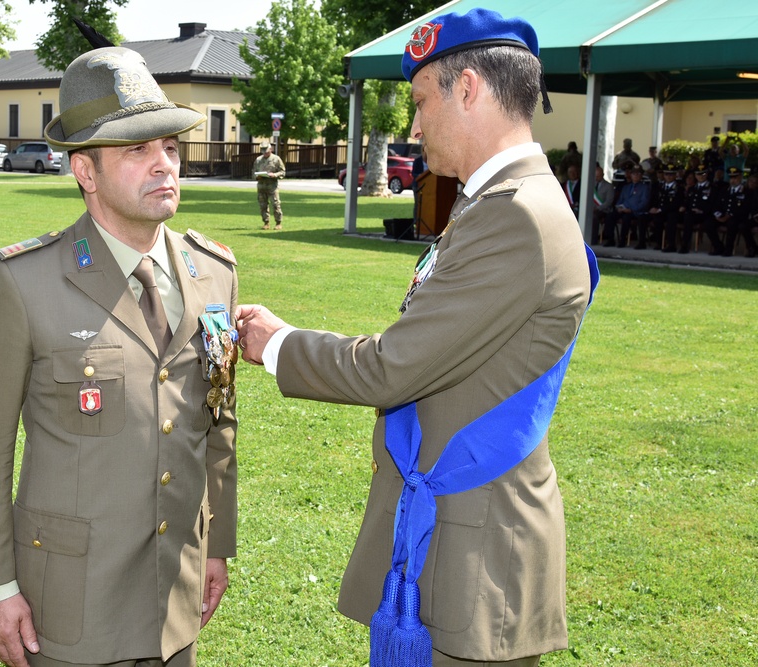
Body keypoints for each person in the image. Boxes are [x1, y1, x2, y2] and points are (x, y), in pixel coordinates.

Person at [237, 8, 593, 666]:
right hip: (460, 533)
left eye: (422, 101)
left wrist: (278, 344)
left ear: (468, 90)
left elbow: (393, 368)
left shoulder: (514, 218)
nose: (415, 125)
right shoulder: (497, 204)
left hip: (474, 554)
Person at [0, 46, 239, 667]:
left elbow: (218, 422)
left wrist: (217, 545)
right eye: (137, 150)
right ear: (85, 171)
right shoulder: (24, 282)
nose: (164, 165)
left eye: (169, 147)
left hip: (176, 596)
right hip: (71, 605)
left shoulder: (212, 274)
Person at [603, 165, 650, 248]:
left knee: (626, 218)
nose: (635, 176)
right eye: (634, 174)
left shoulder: (645, 187)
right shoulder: (626, 187)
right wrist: (619, 207)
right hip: (624, 209)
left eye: (638, 174)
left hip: (636, 211)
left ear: (641, 175)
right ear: (631, 175)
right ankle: (610, 239)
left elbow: (644, 202)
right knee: (610, 216)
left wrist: (631, 210)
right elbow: (620, 200)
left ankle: (623, 240)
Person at [707, 166, 748, 256]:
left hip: (736, 218)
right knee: (709, 223)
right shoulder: (724, 190)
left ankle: (728, 249)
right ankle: (718, 247)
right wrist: (718, 215)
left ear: (740, 177)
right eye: (731, 178)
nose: (733, 180)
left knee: (732, 224)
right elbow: (716, 205)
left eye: (735, 178)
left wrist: (730, 215)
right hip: (723, 216)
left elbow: (745, 209)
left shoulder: (746, 191)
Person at [652, 163, 685, 252]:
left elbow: (677, 203)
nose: (669, 177)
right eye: (667, 174)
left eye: (671, 174)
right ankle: (659, 243)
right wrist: (653, 208)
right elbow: (655, 199)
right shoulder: (660, 186)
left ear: (675, 175)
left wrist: (661, 209)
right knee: (657, 219)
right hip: (661, 211)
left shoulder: (679, 188)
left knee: (671, 218)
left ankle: (671, 245)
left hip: (673, 211)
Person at [253, 141, 285, 230]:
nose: (265, 153)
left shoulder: (276, 159)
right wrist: (257, 176)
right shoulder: (258, 160)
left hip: (272, 186)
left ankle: (278, 223)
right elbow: (253, 172)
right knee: (263, 205)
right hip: (261, 186)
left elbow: (283, 172)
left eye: (266, 151)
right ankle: (266, 222)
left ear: (271, 149)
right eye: (263, 151)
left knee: (276, 204)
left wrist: (274, 175)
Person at [591, 163, 615, 244]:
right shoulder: (591, 185)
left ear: (603, 175)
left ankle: (593, 239)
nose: (597, 178)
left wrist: (598, 208)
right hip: (592, 209)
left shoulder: (609, 186)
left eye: (598, 176)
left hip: (604, 210)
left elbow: (609, 201)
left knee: (594, 217)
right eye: (595, 176)